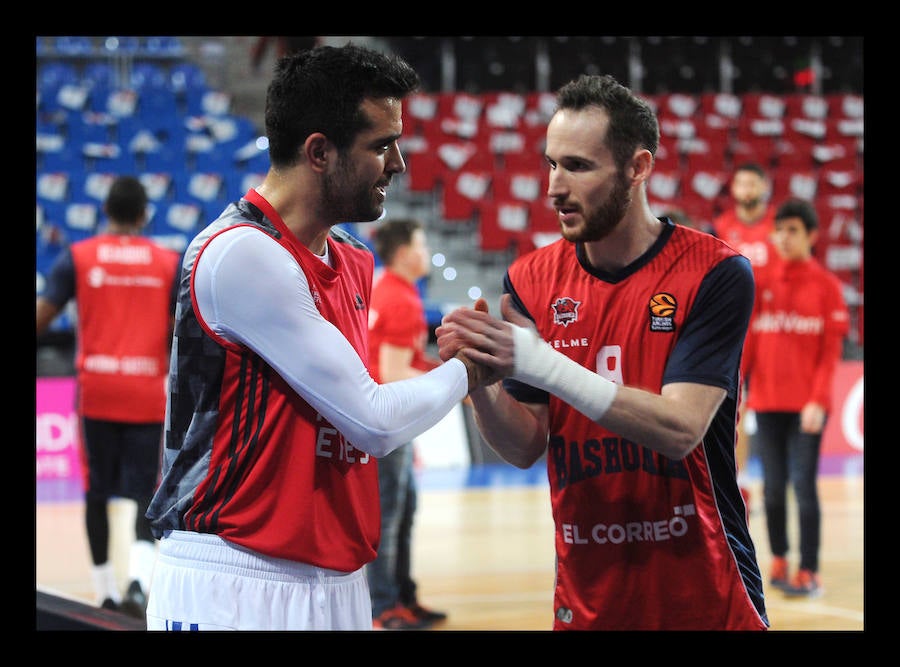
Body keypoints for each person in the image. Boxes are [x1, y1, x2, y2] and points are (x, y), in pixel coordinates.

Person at [144, 44, 491, 632]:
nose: (400, 164)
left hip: (334, 574)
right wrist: (476, 366)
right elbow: (374, 420)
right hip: (236, 573)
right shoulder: (242, 253)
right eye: (382, 145)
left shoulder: (353, 256)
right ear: (320, 152)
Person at [436, 74, 769, 630]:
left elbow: (680, 428)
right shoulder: (531, 280)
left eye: (578, 166)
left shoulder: (714, 272)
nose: (554, 187)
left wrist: (540, 362)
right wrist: (484, 382)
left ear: (638, 168)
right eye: (551, 164)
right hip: (588, 594)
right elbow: (524, 446)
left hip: (706, 589)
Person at [35, 175, 180, 619]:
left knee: (95, 493)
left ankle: (104, 593)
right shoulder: (168, 262)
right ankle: (137, 581)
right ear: (143, 215)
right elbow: (184, 332)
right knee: (145, 493)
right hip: (146, 394)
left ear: (106, 213)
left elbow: (42, 318)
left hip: (96, 392)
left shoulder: (77, 258)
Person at [740, 198, 849, 598]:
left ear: (811, 236)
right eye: (779, 230)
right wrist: (739, 390)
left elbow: (830, 354)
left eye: (792, 231)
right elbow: (748, 344)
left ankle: (810, 569)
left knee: (803, 486)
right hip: (767, 404)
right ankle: (781, 559)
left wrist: (818, 401)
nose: (783, 238)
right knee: (771, 487)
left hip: (807, 408)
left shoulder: (828, 288)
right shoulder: (760, 282)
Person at [366, 218, 448, 630]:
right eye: (422, 242)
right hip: (386, 424)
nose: (427, 249)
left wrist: (449, 371)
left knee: (402, 511)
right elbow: (391, 373)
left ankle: (401, 597)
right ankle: (383, 608)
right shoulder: (401, 300)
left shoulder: (389, 290)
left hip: (387, 423)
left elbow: (404, 363)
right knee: (389, 516)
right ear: (403, 254)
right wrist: (453, 384)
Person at [711, 162, 779, 512]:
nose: (747, 189)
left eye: (753, 182)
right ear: (734, 189)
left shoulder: (778, 228)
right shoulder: (721, 227)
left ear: (764, 187)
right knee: (733, 408)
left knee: (767, 409)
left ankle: (772, 480)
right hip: (734, 330)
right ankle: (737, 482)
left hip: (771, 332)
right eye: (741, 182)